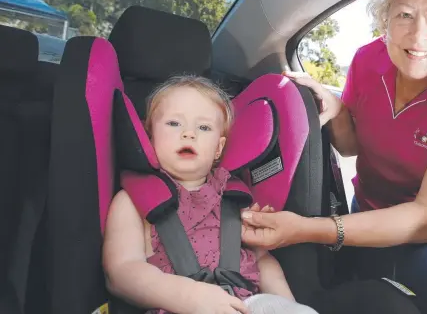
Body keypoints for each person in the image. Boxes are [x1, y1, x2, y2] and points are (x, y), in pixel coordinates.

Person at [240, 0, 427, 314]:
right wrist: (336, 109)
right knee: (348, 276)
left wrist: (305, 229)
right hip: (373, 200)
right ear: (386, 18)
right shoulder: (368, 61)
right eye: (405, 15)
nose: (418, 35)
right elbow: (350, 147)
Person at [102, 76, 318, 314]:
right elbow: (121, 271)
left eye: (203, 127)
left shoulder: (235, 198)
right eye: (174, 123)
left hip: (245, 303)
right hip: (176, 305)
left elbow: (262, 260)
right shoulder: (132, 201)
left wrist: (286, 303)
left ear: (218, 148)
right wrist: (189, 296)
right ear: (149, 136)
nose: (189, 134)